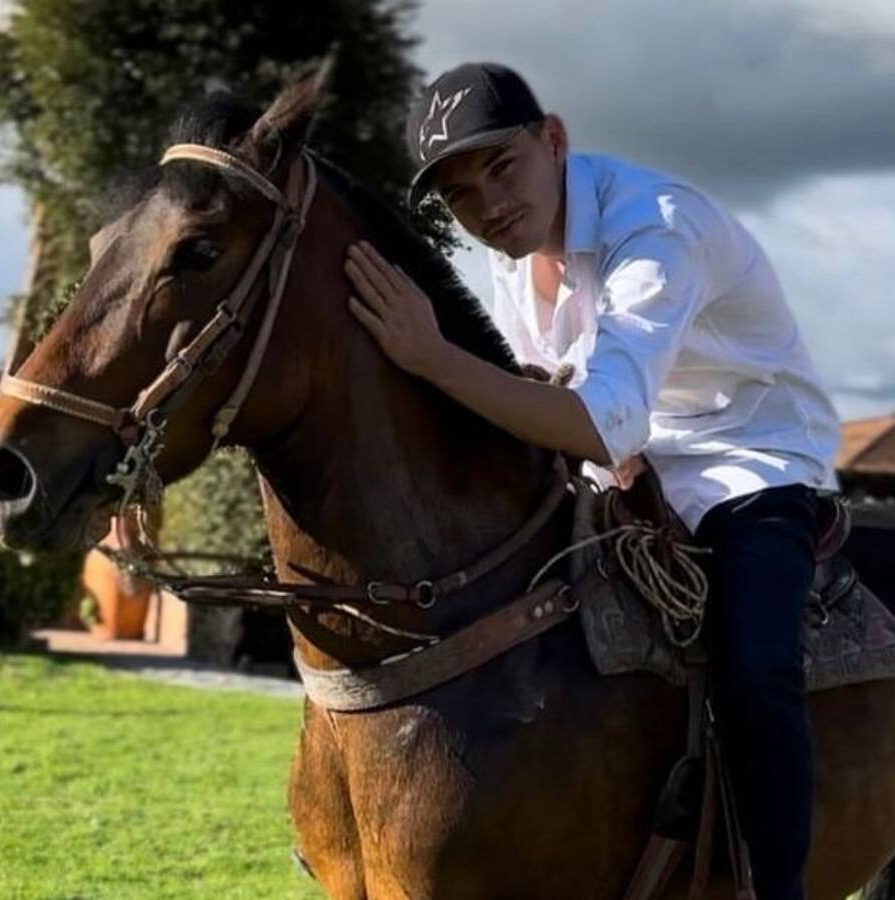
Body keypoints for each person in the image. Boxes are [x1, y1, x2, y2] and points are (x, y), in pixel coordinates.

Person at [342, 61, 841, 900]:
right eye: (462, 196)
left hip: (744, 458)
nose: (490, 204)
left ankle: (776, 887)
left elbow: (604, 416)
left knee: (755, 668)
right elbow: (545, 393)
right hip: (619, 461)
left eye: (501, 165)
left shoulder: (657, 226)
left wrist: (433, 359)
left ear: (555, 139)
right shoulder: (512, 250)